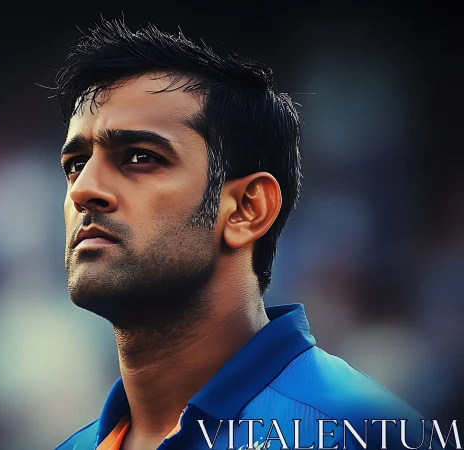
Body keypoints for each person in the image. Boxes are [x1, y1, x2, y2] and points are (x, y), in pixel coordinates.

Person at [53, 20, 427, 450]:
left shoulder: (364, 434)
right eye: (76, 164)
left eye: (140, 157)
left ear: (248, 209)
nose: (82, 190)